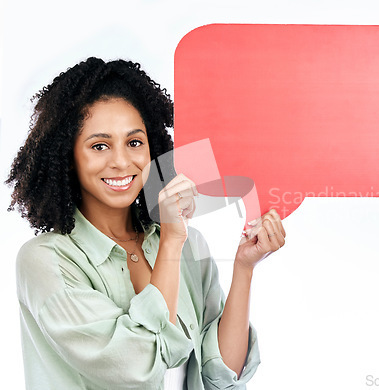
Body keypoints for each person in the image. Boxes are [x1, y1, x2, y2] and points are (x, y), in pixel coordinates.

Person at [6, 57, 286, 390]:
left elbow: (220, 375)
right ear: (68, 157)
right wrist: (169, 243)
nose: (122, 161)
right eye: (100, 146)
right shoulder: (47, 260)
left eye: (135, 142)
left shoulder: (188, 242)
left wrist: (244, 268)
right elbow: (135, 368)